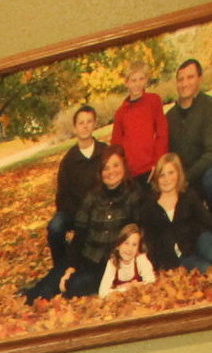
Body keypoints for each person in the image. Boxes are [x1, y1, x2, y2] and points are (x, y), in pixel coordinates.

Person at [49, 148, 144, 299]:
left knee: (72, 285)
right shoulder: (93, 196)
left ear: (124, 167)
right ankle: (29, 295)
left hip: (113, 264)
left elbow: (140, 234)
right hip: (88, 258)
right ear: (100, 173)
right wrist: (72, 266)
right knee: (54, 278)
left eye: (116, 165)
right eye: (106, 168)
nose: (111, 171)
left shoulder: (133, 194)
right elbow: (80, 234)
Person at [139, 150, 212, 272]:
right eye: (162, 175)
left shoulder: (187, 196)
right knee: (206, 269)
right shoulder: (150, 206)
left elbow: (209, 220)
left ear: (179, 174)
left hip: (199, 238)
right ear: (156, 178)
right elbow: (151, 239)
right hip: (182, 254)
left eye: (171, 173)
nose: (167, 179)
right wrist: (158, 266)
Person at [165, 59, 212, 230]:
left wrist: (187, 178)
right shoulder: (170, 117)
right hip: (188, 172)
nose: (184, 83)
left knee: (210, 181)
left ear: (200, 79)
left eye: (190, 77)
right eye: (180, 79)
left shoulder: (211, 106)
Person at [44, 105, 109, 269]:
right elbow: (62, 196)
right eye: (81, 123)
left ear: (94, 124)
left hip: (103, 209)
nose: (85, 126)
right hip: (76, 212)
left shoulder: (105, 152)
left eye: (89, 121)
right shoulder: (68, 161)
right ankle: (60, 267)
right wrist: (79, 216)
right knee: (55, 227)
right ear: (75, 127)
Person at [110, 62, 168, 188]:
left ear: (146, 80)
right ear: (126, 83)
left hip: (153, 168)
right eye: (133, 80)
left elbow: (161, 134)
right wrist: (122, 171)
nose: (137, 84)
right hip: (132, 174)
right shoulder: (121, 113)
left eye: (141, 79)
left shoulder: (153, 101)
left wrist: (158, 162)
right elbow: (116, 145)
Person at [97, 223, 156, 295]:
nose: (129, 249)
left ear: (138, 248)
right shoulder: (113, 263)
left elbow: (151, 282)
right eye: (126, 243)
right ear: (118, 246)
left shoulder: (140, 259)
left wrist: (132, 286)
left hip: (138, 298)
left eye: (134, 245)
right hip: (120, 302)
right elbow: (102, 293)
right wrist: (126, 288)